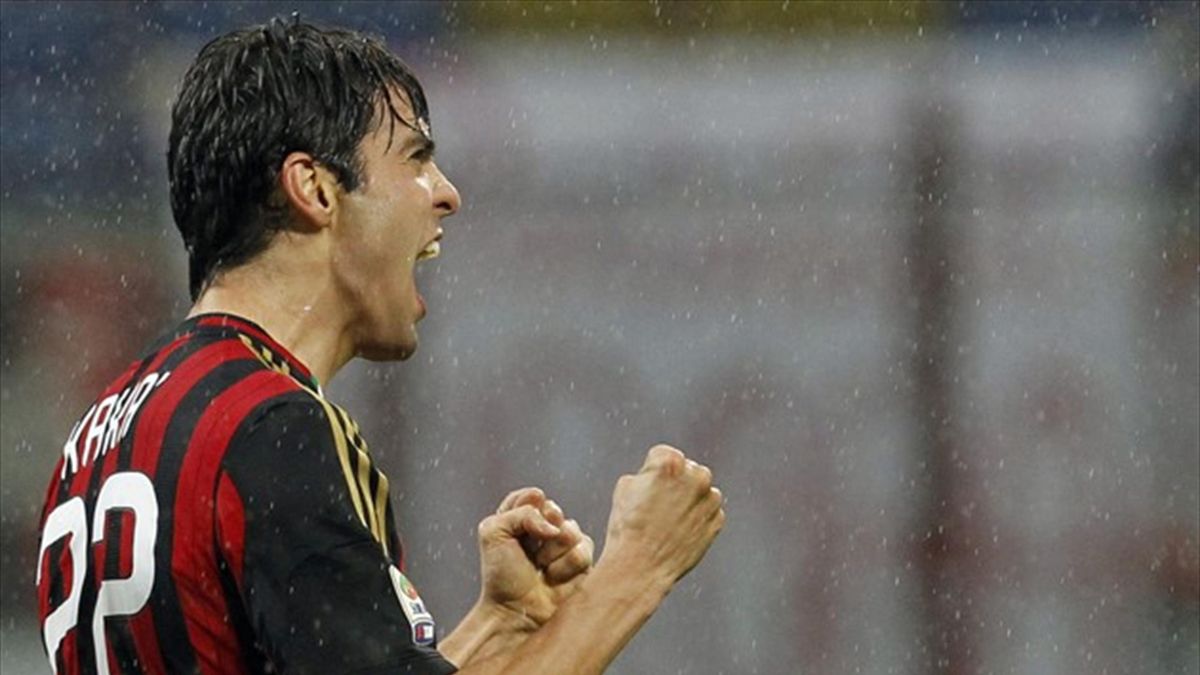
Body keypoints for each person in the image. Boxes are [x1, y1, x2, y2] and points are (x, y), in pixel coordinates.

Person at [35, 18, 724, 674]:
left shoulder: (97, 436)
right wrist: (639, 567)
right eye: (416, 158)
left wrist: (496, 626)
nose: (446, 193)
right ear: (314, 188)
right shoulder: (273, 426)